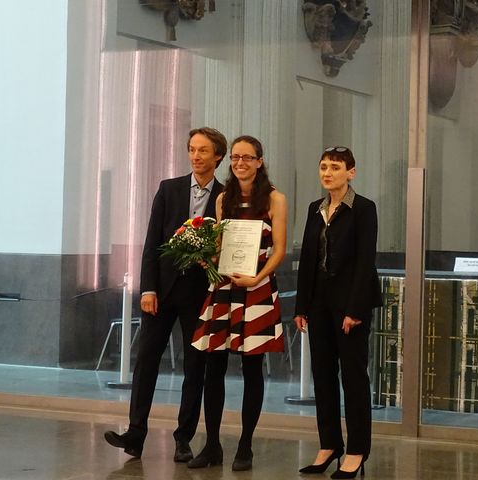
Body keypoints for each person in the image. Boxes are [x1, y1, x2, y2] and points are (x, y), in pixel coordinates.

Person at [104, 127, 227, 463]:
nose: (196, 156)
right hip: (161, 291)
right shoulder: (169, 189)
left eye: (203, 150)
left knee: (195, 367)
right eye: (192, 149)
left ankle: (183, 438)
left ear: (218, 156)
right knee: (146, 360)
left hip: (201, 294)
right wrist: (148, 287)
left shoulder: (225, 196)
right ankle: (135, 432)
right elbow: (151, 242)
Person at [188, 135, 287, 471]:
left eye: (248, 157)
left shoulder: (275, 199)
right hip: (225, 288)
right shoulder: (222, 199)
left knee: (251, 369)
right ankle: (212, 444)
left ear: (260, 161)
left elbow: (280, 250)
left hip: (257, 287)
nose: (240, 163)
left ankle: (245, 445)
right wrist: (206, 259)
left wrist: (259, 277)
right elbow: (218, 248)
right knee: (212, 367)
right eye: (235, 158)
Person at [294, 146, 381, 479]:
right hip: (319, 304)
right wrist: (301, 306)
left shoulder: (363, 208)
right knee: (323, 376)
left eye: (334, 167)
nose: (327, 173)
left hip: (350, 306)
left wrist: (355, 308)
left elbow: (364, 261)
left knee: (354, 377)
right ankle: (329, 444)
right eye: (323, 167)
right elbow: (308, 262)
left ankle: (357, 450)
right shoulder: (315, 208)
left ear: (351, 172)